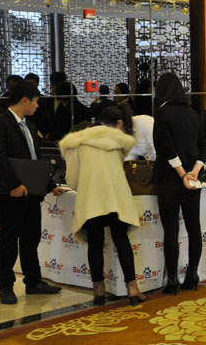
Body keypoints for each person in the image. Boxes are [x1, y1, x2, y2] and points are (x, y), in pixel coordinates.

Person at [0, 81, 65, 304]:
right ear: (25, 100)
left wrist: (49, 184)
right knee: (9, 240)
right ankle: (5, 286)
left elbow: (34, 161)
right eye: (36, 102)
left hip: (31, 192)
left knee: (31, 239)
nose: (37, 106)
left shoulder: (29, 126)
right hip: (8, 193)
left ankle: (33, 281)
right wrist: (14, 184)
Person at [59, 105, 145, 306]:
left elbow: (72, 179)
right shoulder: (115, 141)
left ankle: (99, 291)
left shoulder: (76, 144)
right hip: (116, 197)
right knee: (122, 240)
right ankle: (132, 288)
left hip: (92, 199)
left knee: (95, 243)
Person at [152, 72, 206, 293]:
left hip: (170, 180)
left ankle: (173, 279)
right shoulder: (193, 114)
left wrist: (183, 174)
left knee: (171, 231)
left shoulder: (162, 113)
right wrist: (194, 172)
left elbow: (166, 148)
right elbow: (203, 146)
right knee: (194, 228)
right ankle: (192, 274)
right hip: (193, 180)